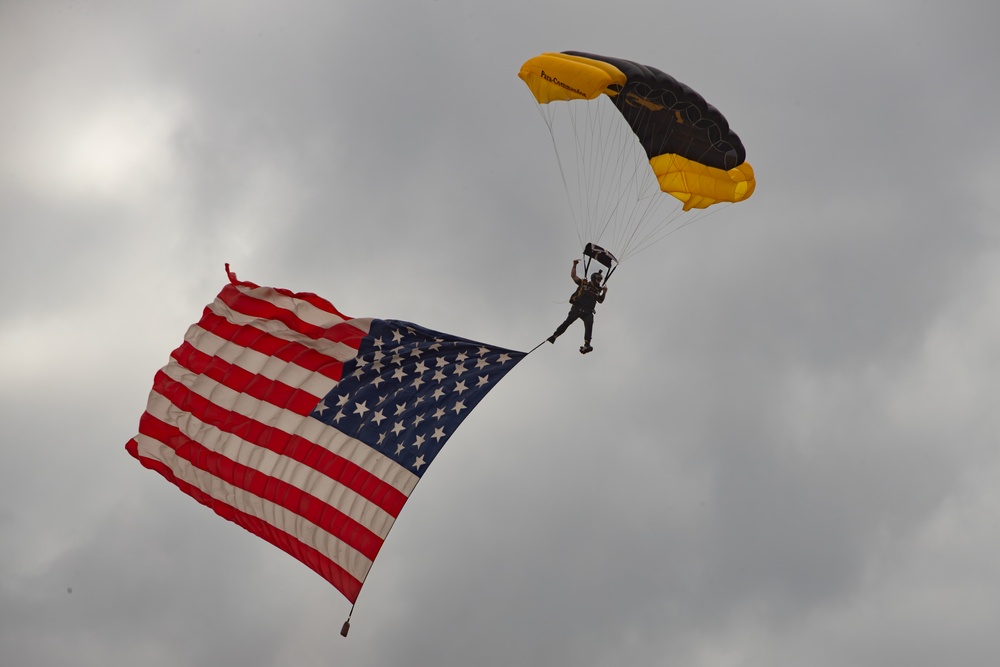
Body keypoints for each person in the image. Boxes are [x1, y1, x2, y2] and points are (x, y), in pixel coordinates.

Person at [548, 259, 608, 354]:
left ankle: (587, 345)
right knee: (568, 322)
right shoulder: (584, 283)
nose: (599, 282)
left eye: (600, 280)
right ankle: (555, 336)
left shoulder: (597, 290)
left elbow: (600, 300)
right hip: (577, 308)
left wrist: (604, 292)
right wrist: (574, 265)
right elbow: (573, 276)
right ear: (593, 278)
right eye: (598, 279)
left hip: (588, 312)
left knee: (589, 325)